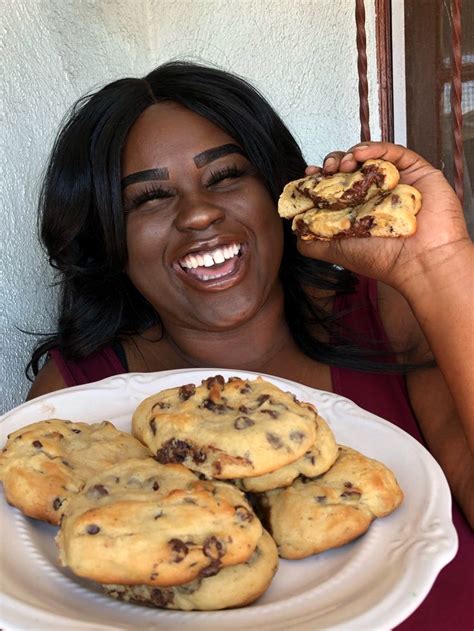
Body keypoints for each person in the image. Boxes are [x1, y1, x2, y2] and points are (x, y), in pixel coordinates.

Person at [25, 61, 472, 629]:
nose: (199, 214)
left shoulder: (385, 311)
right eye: (149, 199)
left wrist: (440, 262)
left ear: (277, 191)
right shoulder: (74, 400)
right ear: (106, 235)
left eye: (225, 176)